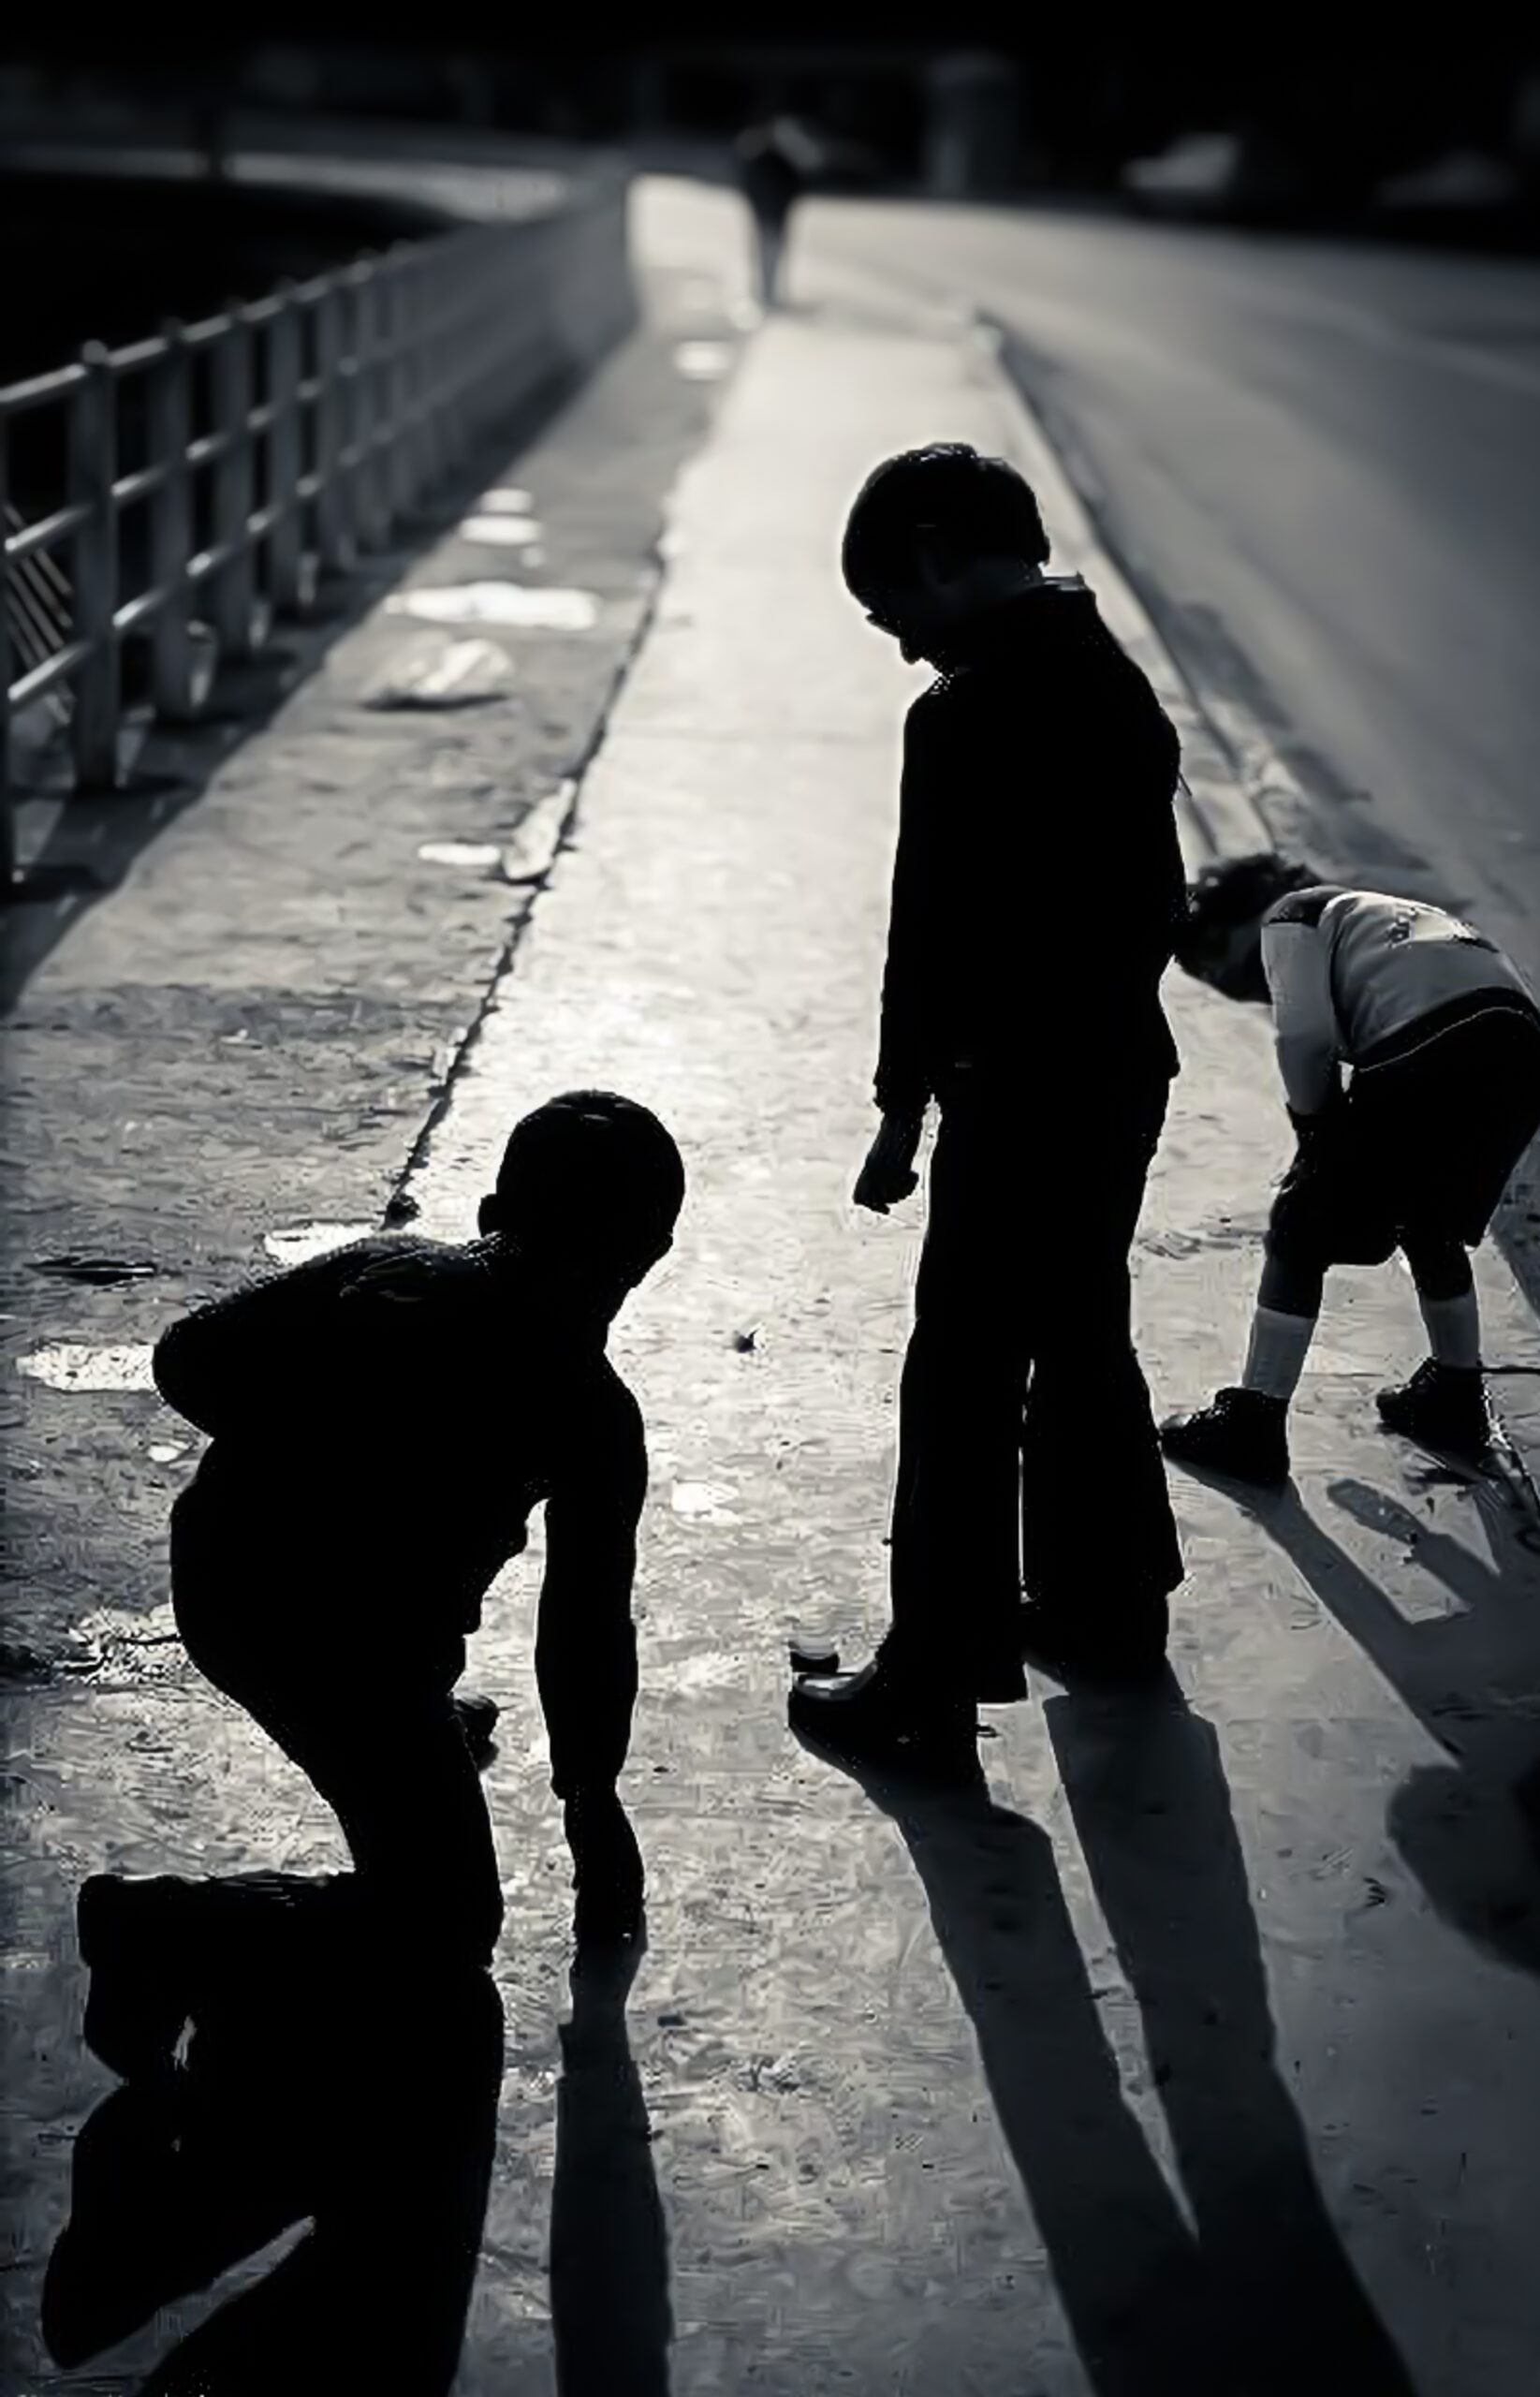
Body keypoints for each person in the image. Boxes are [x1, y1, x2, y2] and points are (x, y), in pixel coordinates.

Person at [77, 1091, 685, 2066]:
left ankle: (422, 1731)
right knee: (444, 1924)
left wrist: (305, 1436)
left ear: (492, 1214)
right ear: (647, 1255)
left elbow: (187, 1356)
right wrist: (591, 1796)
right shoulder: (591, 1414)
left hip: (228, 1577)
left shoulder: (382, 1269)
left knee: (400, 1709)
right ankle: (160, 1928)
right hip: (355, 1655)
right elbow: (583, 1630)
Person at [790, 443, 1188, 1772]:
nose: (900, 648)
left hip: (1014, 1091)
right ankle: (1107, 1608)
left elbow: (931, 937)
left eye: (891, 613)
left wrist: (902, 1108)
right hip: (1120, 1072)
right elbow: (1157, 909)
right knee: (1082, 1331)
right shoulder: (1117, 681)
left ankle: (933, 1670)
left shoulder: (966, 712)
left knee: (960, 1373)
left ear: (932, 561)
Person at [1160, 854, 1540, 1483]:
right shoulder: (1382, 915)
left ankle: (1252, 1423)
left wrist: (1314, 1135)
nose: (1232, 984)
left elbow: (1302, 1038)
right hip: (1520, 1047)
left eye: (1219, 964)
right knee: (1431, 1224)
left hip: (1430, 1038)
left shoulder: (1292, 915)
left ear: (1243, 914)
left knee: (1297, 1225)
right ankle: (1454, 1391)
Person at [733, 117, 808, 308]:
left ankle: (768, 292)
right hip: (771, 213)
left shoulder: (767, 163)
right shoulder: (778, 164)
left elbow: (752, 187)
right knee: (770, 253)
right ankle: (767, 293)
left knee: (767, 253)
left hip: (770, 213)